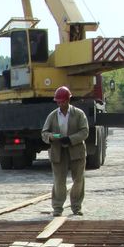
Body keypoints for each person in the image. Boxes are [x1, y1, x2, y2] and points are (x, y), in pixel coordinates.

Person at [41, 85, 90, 216]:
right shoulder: (52, 116)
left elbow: (85, 131)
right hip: (58, 152)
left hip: (76, 150)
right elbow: (44, 133)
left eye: (62, 101)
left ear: (68, 100)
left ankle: (76, 207)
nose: (60, 104)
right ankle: (57, 208)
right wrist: (52, 137)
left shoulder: (79, 114)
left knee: (79, 179)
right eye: (58, 101)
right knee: (59, 180)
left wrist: (71, 139)